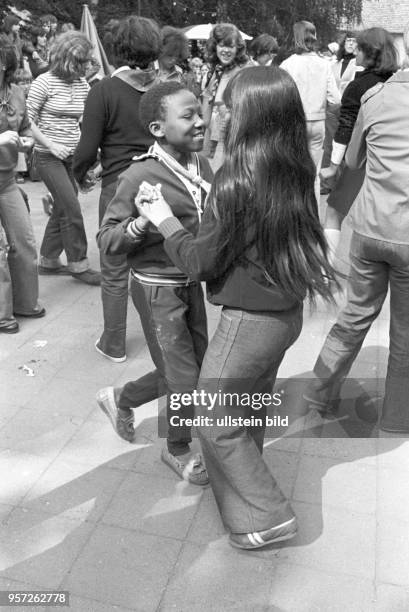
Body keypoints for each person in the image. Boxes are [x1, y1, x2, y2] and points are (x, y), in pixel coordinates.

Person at [136, 67, 337, 549]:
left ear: (248, 114)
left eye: (225, 105)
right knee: (245, 411)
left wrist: (164, 220)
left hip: (248, 321)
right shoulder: (292, 166)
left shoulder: (235, 178)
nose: (216, 113)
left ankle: (268, 513)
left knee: (212, 416)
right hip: (284, 314)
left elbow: (200, 262)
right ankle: (244, 516)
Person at [96, 81, 213, 485]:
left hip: (189, 283)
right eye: (189, 116)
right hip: (156, 288)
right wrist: (141, 224)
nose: (201, 121)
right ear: (158, 129)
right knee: (184, 378)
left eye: (200, 112)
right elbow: (106, 240)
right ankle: (177, 449)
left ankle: (120, 398)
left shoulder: (202, 164)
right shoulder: (139, 175)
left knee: (189, 367)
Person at [305, 25, 409, 435]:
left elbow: (352, 163)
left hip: (369, 229)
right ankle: (398, 417)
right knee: (404, 334)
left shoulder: (375, 96)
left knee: (353, 317)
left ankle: (318, 395)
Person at [73, 16, 161, 362]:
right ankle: (165, 340)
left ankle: (113, 343)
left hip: (119, 189)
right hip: (159, 184)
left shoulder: (104, 90)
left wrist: (81, 175)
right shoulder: (165, 89)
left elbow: (86, 147)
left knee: (114, 269)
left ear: (117, 48)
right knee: (153, 266)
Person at [26, 31, 101, 285]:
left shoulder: (82, 84)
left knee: (62, 207)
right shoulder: (43, 82)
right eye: (82, 62)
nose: (86, 67)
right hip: (48, 157)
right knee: (71, 209)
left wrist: (88, 160)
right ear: (67, 59)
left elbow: (84, 124)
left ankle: (47, 260)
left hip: (72, 157)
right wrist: (50, 144)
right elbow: (27, 123)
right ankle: (79, 265)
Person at [320, 28, 398, 262]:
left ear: (368, 53)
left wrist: (333, 166)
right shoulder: (397, 83)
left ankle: (326, 271)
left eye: (359, 48)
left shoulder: (357, 86)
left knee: (334, 212)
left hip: (360, 159)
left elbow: (345, 129)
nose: (355, 53)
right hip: (391, 160)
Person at [0, 35, 44, 334]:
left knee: (24, 242)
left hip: (6, 181)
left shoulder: (15, 93)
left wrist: (27, 141)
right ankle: (2, 315)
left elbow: (26, 126)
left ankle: (25, 302)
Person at [280, 21, 340, 202]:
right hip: (318, 122)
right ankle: (313, 220)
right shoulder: (324, 64)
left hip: (295, 122)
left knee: (292, 174)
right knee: (313, 175)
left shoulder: (287, 64)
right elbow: (336, 100)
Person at [202, 23, 252, 168]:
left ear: (238, 49)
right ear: (215, 47)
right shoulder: (217, 72)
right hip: (223, 136)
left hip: (244, 139)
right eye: (221, 45)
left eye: (230, 46)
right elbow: (206, 111)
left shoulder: (246, 71)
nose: (225, 50)